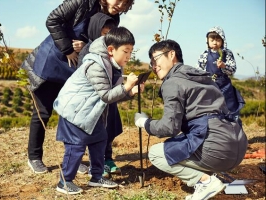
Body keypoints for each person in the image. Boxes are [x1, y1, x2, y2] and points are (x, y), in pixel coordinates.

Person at [21, 0, 134, 174]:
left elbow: (101, 42)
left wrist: (86, 46)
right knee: (42, 112)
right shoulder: (82, 1)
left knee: (74, 112)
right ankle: (34, 157)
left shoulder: (113, 17)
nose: (120, 5)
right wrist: (67, 48)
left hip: (76, 66)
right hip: (53, 60)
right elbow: (52, 19)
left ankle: (73, 158)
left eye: (125, 3)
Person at [134, 39, 248, 200]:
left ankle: (205, 182)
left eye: (156, 59)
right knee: (185, 138)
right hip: (237, 147)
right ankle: (215, 175)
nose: (153, 65)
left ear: (171, 54)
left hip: (216, 150)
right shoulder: (203, 77)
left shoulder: (172, 82)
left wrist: (144, 123)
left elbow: (169, 128)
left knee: (156, 154)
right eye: (151, 62)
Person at [53, 26, 143, 195]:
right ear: (111, 49)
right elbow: (106, 96)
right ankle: (64, 182)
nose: (129, 57)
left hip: (90, 112)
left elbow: (113, 94)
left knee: (100, 139)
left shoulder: (112, 64)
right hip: (75, 112)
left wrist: (130, 92)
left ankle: (96, 177)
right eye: (126, 51)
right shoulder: (96, 64)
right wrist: (127, 86)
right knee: (76, 146)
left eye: (131, 52)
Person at [77, 13, 122, 177]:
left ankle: (108, 159)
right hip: (95, 100)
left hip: (109, 98)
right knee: (95, 133)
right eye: (104, 34)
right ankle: (95, 164)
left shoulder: (112, 52)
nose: (107, 38)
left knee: (109, 129)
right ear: (96, 31)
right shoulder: (88, 51)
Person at [196, 26, 245, 122]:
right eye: (212, 40)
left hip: (225, 87)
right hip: (210, 87)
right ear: (207, 41)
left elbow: (233, 70)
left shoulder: (227, 53)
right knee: (212, 111)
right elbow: (199, 70)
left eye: (218, 40)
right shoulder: (204, 54)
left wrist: (224, 66)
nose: (215, 42)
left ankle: (234, 132)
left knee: (230, 110)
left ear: (223, 40)